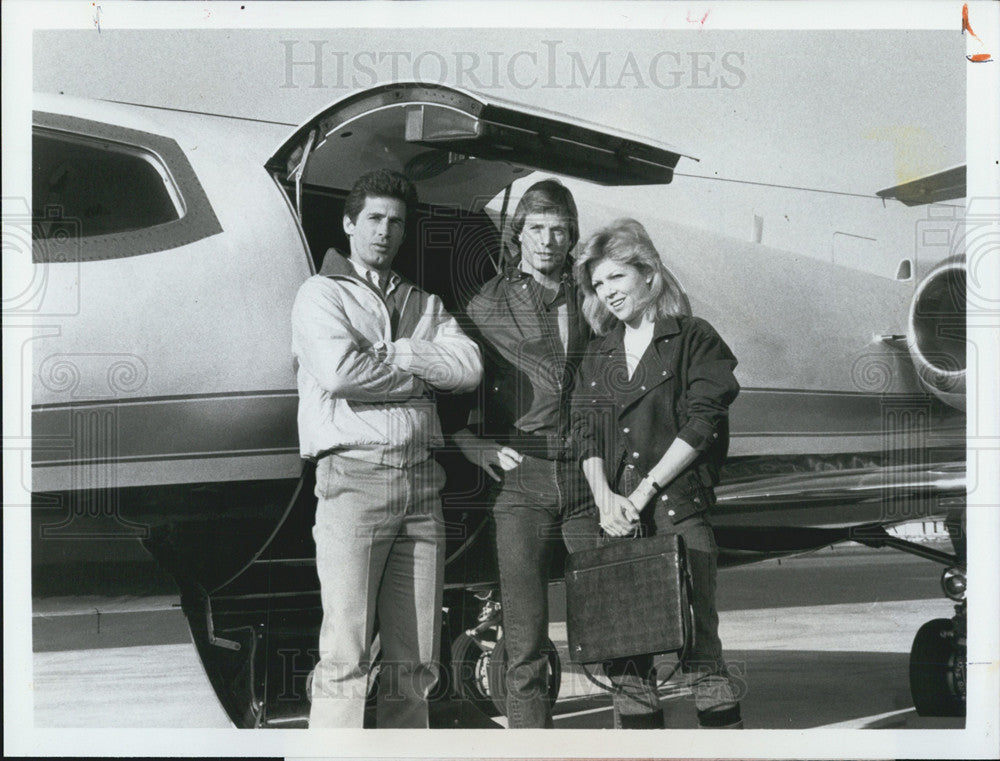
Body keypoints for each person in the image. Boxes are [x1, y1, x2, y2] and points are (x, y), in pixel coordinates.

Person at [292, 169, 482, 728]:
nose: (385, 231)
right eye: (374, 218)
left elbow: (468, 368)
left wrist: (400, 353)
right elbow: (341, 372)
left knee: (414, 661)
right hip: (355, 479)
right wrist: (425, 374)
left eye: (396, 222)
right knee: (346, 653)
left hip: (422, 486)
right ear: (350, 223)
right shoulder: (320, 293)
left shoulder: (423, 301)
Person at [571, 218, 744, 730]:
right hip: (618, 520)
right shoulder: (598, 353)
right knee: (624, 659)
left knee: (699, 651)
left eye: (616, 279)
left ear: (648, 273)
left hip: (676, 510)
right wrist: (605, 500)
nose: (608, 294)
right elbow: (587, 433)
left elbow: (702, 423)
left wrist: (641, 493)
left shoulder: (693, 337)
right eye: (598, 285)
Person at [452, 178, 599, 728]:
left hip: (591, 477)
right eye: (536, 228)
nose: (547, 241)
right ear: (518, 235)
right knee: (524, 638)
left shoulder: (593, 299)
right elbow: (456, 381)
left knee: (615, 621)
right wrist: (470, 442)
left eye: (559, 230)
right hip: (522, 481)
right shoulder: (486, 303)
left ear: (573, 237)